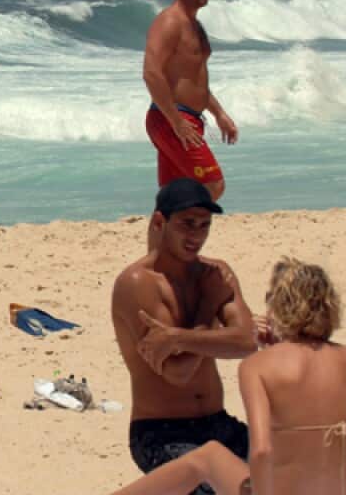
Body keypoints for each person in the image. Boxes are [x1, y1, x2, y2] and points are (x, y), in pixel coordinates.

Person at [111, 257, 346, 495]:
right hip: (337, 489)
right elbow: (310, 416)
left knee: (207, 457)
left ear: (280, 305)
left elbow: (262, 449)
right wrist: (278, 348)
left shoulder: (258, 367)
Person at [111, 179, 259, 495]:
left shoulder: (215, 272)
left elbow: (246, 341)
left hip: (220, 424)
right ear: (159, 222)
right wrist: (207, 309)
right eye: (187, 224)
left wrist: (178, 338)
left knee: (297, 473)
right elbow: (178, 372)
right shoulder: (138, 284)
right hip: (161, 433)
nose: (197, 236)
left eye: (204, 226)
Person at [143, 0, 238, 203]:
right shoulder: (169, 22)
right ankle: (186, 234)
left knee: (172, 196)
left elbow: (194, 80)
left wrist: (219, 114)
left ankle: (165, 241)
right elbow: (151, 73)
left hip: (186, 119)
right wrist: (176, 121)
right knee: (212, 185)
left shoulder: (194, 25)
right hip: (173, 118)